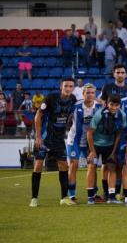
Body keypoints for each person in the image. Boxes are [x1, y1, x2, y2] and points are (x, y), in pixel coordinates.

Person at [30, 78, 77, 207]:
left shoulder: (72, 99)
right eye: (66, 85)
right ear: (61, 87)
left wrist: (69, 123)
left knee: (63, 166)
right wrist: (38, 137)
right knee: (38, 165)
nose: (68, 88)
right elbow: (38, 116)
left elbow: (70, 116)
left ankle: (64, 198)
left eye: (71, 86)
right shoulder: (51, 98)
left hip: (59, 139)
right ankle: (34, 198)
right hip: (45, 138)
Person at [87, 94, 126, 204]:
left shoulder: (121, 115)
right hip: (95, 144)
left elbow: (119, 134)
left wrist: (113, 152)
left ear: (120, 105)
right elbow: (89, 133)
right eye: (111, 104)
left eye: (116, 105)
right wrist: (92, 151)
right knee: (91, 166)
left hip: (109, 145)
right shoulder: (99, 114)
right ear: (107, 104)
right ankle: (90, 197)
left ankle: (111, 197)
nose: (114, 107)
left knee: (112, 167)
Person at [66, 84, 101, 203]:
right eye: (88, 93)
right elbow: (65, 117)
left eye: (92, 93)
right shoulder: (75, 106)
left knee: (92, 165)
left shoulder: (99, 107)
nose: (90, 95)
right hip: (74, 140)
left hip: (90, 142)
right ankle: (71, 196)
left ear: (95, 94)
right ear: (83, 94)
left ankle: (91, 196)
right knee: (73, 165)